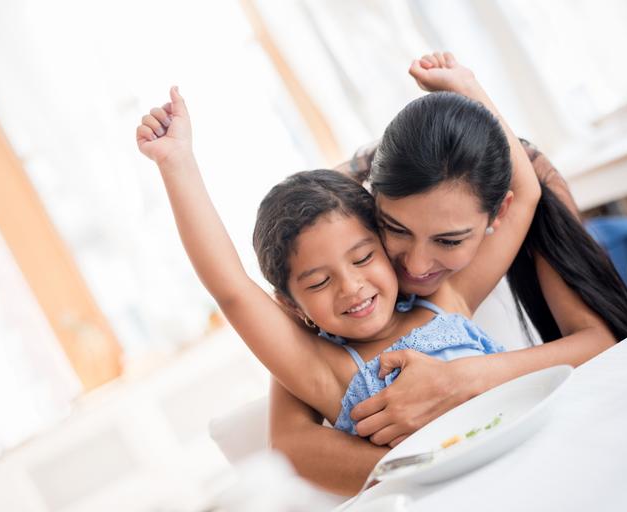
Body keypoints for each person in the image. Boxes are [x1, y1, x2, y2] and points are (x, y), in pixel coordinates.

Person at [269, 52, 627, 495]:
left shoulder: (526, 188)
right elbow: (289, 441)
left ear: (498, 214)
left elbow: (597, 339)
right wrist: (434, 456)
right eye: (394, 229)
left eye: (450, 240)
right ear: (371, 203)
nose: (417, 266)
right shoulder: (335, 251)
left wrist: (463, 381)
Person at [136, 69, 544, 439]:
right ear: (293, 307)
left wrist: (470, 93)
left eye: (364, 258)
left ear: (384, 245)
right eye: (318, 281)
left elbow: (525, 194)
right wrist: (177, 164)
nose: (351, 286)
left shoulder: (447, 302)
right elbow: (232, 289)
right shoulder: (325, 370)